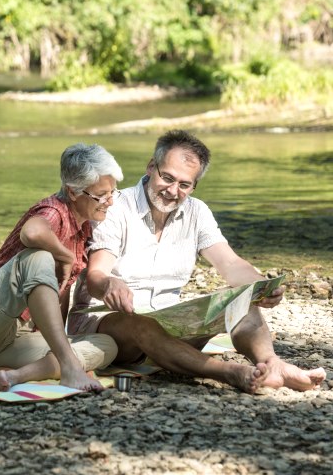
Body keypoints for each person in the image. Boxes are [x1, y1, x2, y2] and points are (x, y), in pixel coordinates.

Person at [68, 129, 326, 393]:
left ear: (194, 186)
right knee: (142, 323)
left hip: (171, 327)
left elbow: (231, 265)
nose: (172, 191)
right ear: (151, 167)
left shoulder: (197, 211)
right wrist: (111, 284)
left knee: (240, 297)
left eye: (184, 184)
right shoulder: (116, 207)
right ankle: (230, 373)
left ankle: (271, 363)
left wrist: (262, 287)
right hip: (107, 327)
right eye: (166, 178)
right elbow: (96, 275)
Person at [0, 143, 124, 392]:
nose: (110, 202)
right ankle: (69, 367)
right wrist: (64, 256)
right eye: (101, 195)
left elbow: (59, 295)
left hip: (10, 342)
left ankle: (15, 376)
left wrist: (57, 342)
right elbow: (32, 231)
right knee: (38, 257)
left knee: (106, 344)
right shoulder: (54, 211)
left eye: (113, 192)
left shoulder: (82, 228)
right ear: (73, 192)